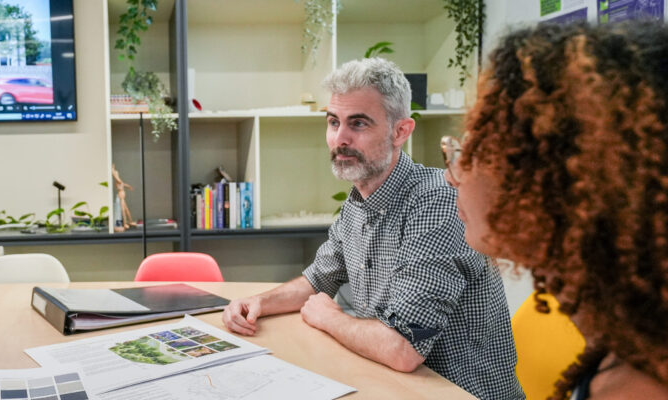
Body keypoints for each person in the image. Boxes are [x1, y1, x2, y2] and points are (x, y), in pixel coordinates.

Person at [222, 57, 523, 399]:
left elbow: (403, 348)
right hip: (396, 387)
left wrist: (330, 318)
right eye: (333, 122)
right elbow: (317, 279)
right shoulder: (358, 201)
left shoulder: (437, 202)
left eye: (358, 123)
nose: (340, 138)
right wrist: (257, 303)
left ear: (401, 131)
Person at [442, 22, 668, 400]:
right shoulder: (625, 331)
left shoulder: (640, 386)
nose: (453, 175)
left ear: (551, 176)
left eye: (474, 146)